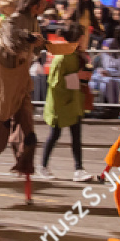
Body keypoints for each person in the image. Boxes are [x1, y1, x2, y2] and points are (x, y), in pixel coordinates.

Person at [0, 0, 74, 200]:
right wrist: (28, 38)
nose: (44, 7)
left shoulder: (34, 20)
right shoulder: (14, 19)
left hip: (22, 81)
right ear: (35, 4)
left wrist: (38, 43)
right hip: (6, 82)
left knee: (28, 134)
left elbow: (32, 49)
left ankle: (24, 171)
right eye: (42, 3)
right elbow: (10, 41)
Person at [41, 23, 91, 181]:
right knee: (54, 135)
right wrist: (78, 76)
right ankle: (43, 166)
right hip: (59, 104)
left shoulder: (77, 55)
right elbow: (55, 82)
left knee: (76, 135)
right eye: (82, 39)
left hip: (73, 102)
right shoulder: (61, 57)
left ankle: (79, 169)